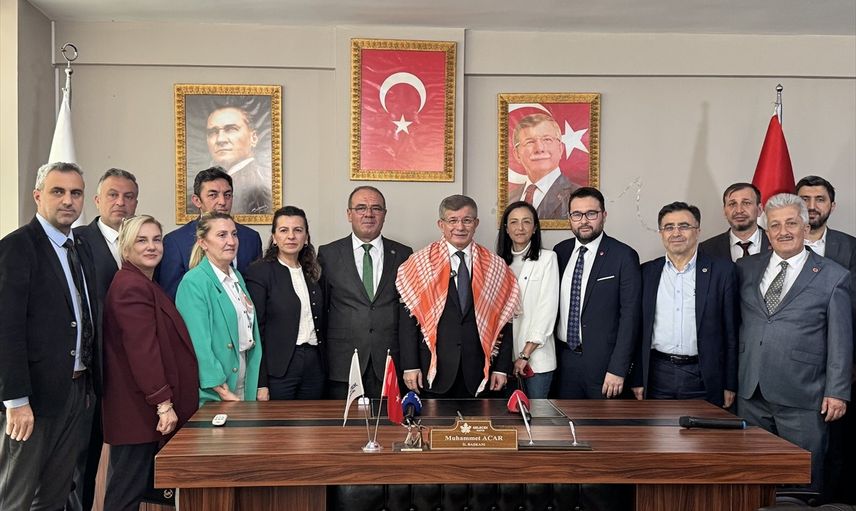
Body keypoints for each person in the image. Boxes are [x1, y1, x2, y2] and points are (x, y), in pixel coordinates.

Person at [736, 193, 852, 495]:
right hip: (751, 392)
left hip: (803, 394)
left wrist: (837, 392)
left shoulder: (834, 276)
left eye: (791, 223)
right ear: (767, 231)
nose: (783, 231)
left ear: (805, 227)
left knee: (802, 479)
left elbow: (841, 340)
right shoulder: (745, 268)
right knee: (753, 475)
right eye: (775, 225)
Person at [0, 162, 99, 509]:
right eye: (58, 191)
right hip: (32, 398)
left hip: (75, 390)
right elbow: (6, 329)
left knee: (55, 497)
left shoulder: (81, 246)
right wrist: (16, 402)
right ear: (38, 196)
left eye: (76, 193)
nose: (68, 200)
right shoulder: (17, 247)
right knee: (16, 498)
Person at [101, 215, 199, 510]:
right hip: (138, 410)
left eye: (157, 239)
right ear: (126, 246)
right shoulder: (131, 286)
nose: (151, 246)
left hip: (142, 409)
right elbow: (142, 351)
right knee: (125, 495)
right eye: (141, 240)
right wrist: (162, 403)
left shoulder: (145, 282)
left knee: (131, 490)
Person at [397, 195, 519, 398]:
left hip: (480, 374)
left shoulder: (495, 265)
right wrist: (410, 366)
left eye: (467, 220)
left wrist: (501, 368)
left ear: (476, 223)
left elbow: (505, 320)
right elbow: (408, 320)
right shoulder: (418, 263)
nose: (460, 227)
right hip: (432, 373)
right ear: (441, 224)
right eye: (452, 220)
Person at [68, 167, 139, 511]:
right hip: (91, 370)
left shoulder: (144, 242)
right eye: (113, 195)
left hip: (132, 371)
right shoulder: (76, 242)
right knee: (82, 459)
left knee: (128, 460)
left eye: (128, 196)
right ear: (97, 200)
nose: (121, 202)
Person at [630, 202, 738, 408]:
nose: (676, 233)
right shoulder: (647, 272)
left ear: (698, 231)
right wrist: (637, 377)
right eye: (669, 227)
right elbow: (637, 330)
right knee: (658, 429)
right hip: (657, 374)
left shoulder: (722, 272)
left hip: (704, 374)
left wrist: (729, 383)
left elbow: (731, 332)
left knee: (703, 429)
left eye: (684, 226)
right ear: (661, 233)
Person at [318, 186, 417, 399]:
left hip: (389, 362)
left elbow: (408, 314)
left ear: (384, 214)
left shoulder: (403, 254)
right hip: (343, 364)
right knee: (342, 421)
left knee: (388, 420)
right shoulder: (328, 254)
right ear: (349, 214)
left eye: (376, 208)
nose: (369, 214)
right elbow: (321, 310)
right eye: (361, 208)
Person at [796, 175, 856, 503]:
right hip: (791, 365)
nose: (811, 205)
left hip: (838, 363)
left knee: (836, 445)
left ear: (832, 205)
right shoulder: (776, 243)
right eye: (804, 198)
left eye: (819, 199)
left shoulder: (850, 248)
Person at [553, 187, 641, 400]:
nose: (584, 221)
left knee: (603, 422)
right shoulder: (559, 252)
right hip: (563, 362)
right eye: (577, 214)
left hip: (605, 367)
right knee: (564, 420)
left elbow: (630, 317)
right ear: (569, 218)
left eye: (591, 213)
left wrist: (618, 368)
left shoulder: (623, 256)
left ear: (604, 215)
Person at [175, 212, 267, 404]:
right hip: (218, 389)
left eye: (234, 234)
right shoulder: (194, 282)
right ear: (203, 243)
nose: (231, 242)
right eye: (222, 235)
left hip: (245, 379)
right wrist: (221, 390)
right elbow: (199, 344)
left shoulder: (237, 276)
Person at [245, 206, 325, 400]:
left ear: (306, 237)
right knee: (280, 420)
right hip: (279, 368)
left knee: (313, 419)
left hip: (314, 364)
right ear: (274, 237)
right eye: (283, 230)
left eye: (298, 230)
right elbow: (256, 330)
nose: (291, 236)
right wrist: (261, 382)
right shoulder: (259, 272)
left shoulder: (313, 272)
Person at [158, 166, 263, 300]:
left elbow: (256, 292)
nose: (222, 202)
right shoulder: (175, 241)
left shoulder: (251, 238)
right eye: (213, 195)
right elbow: (172, 297)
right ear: (197, 201)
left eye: (227, 195)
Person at [496, 201, 559, 398]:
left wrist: (525, 354)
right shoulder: (497, 262)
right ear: (506, 228)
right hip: (503, 359)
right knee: (507, 414)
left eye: (526, 221)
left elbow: (547, 309)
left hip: (536, 358)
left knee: (537, 414)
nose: (520, 228)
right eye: (514, 222)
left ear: (535, 227)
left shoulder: (547, 259)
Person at [507, 113, 577, 220]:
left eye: (547, 139)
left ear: (560, 149)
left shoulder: (577, 196)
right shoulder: (509, 199)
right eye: (530, 142)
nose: (539, 148)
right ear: (517, 154)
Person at [206, 105, 272, 215]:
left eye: (231, 129)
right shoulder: (205, 183)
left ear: (253, 138)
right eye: (213, 132)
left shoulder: (260, 189)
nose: (220, 139)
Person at [698, 182, 771, 261]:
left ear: (759, 209)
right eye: (732, 204)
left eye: (746, 203)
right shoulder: (706, 249)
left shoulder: (776, 242)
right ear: (724, 212)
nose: (739, 210)